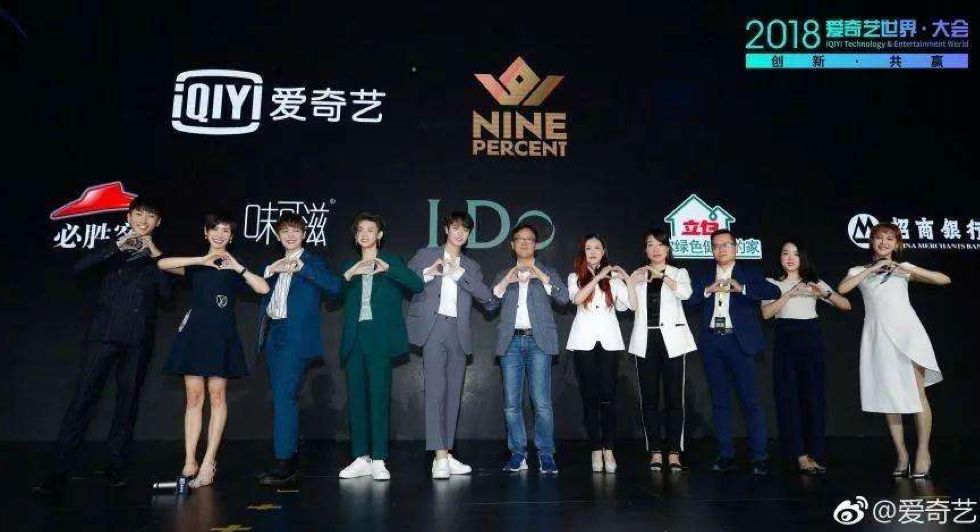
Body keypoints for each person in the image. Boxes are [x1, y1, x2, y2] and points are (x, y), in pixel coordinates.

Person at [33, 198, 170, 494]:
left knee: (127, 404)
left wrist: (155, 255)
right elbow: (80, 267)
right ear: (129, 216)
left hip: (137, 338)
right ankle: (60, 469)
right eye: (138, 214)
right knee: (83, 399)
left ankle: (115, 467)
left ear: (158, 223)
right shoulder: (110, 246)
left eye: (150, 216)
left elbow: (167, 293)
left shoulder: (160, 257)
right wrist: (117, 246)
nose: (143, 220)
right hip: (104, 334)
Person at [158, 213, 270, 488]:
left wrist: (238, 267)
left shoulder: (233, 269)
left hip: (221, 337)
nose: (220, 235)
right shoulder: (196, 266)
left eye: (225, 231)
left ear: (231, 237)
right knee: (194, 397)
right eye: (215, 230)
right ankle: (189, 460)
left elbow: (263, 287)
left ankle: (209, 462)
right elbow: (162, 263)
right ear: (206, 233)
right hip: (195, 335)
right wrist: (201, 260)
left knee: (217, 396)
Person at [837, 223, 949, 478]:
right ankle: (902, 454)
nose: (884, 243)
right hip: (879, 337)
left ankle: (923, 452)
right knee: (889, 397)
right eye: (879, 238)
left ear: (897, 245)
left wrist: (906, 269)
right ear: (872, 242)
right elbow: (843, 289)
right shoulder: (859, 270)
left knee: (918, 394)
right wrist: (873, 269)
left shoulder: (903, 269)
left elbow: (944, 279)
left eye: (890, 239)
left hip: (909, 334)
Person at [407, 211, 498, 479]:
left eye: (465, 230)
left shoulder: (471, 266)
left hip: (459, 330)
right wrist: (429, 272)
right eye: (456, 227)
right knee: (435, 391)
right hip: (434, 327)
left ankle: (446, 453)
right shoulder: (426, 254)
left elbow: (489, 300)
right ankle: (439, 457)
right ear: (446, 229)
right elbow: (407, 280)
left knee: (453, 394)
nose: (460, 233)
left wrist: (460, 276)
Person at [256, 213, 341, 486]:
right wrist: (270, 272)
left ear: (304, 234)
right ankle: (286, 458)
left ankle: (285, 461)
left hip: (295, 336)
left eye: (295, 231)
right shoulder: (273, 265)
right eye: (285, 231)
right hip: (274, 334)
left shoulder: (313, 262)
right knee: (283, 396)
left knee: (284, 396)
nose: (290, 236)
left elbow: (335, 287)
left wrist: (302, 267)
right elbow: (262, 294)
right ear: (278, 236)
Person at [337, 213, 424, 481]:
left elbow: (417, 284)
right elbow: (333, 295)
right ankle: (360, 457)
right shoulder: (349, 265)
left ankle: (378, 458)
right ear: (355, 236)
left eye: (370, 229)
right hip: (355, 338)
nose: (364, 234)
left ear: (379, 235)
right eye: (360, 230)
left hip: (380, 339)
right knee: (357, 401)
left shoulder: (392, 261)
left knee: (379, 399)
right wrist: (349, 274)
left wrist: (388, 268)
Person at [689, 229, 781, 475]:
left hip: (740, 343)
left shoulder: (749, 273)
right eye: (716, 246)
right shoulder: (704, 275)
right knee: (719, 401)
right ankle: (725, 454)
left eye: (726, 245)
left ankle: (759, 456)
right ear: (711, 250)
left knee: (750, 401)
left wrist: (743, 289)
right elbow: (688, 300)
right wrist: (707, 290)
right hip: (712, 342)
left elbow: (774, 292)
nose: (721, 250)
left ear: (735, 248)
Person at [761, 240, 850, 474]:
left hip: (811, 338)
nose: (790, 258)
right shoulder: (771, 283)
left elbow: (846, 305)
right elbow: (767, 313)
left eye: (795, 254)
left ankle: (815, 453)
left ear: (803, 258)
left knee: (813, 396)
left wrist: (823, 292)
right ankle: (799, 455)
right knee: (789, 397)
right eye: (785, 253)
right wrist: (789, 294)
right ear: (780, 258)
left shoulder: (814, 281)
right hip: (786, 338)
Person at [491, 223, 570, 474]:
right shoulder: (503, 274)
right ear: (512, 244)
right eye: (520, 239)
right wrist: (507, 280)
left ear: (536, 244)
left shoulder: (548, 272)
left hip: (539, 342)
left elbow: (564, 298)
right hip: (511, 343)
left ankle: (546, 453)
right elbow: (490, 303)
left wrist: (541, 275)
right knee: (511, 404)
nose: (525, 242)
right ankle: (518, 453)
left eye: (529, 239)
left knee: (542, 402)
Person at [625, 228, 696, 473]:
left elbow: (686, 293)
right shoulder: (638, 273)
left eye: (660, 244)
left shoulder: (679, 272)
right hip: (646, 339)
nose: (655, 249)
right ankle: (655, 450)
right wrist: (631, 283)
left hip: (673, 341)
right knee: (649, 399)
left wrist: (662, 276)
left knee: (675, 398)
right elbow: (629, 306)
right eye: (650, 244)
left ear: (667, 248)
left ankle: (674, 451)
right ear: (645, 250)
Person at [565, 234, 630, 473]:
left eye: (597, 248)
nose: (592, 252)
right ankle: (595, 449)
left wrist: (627, 280)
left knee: (609, 397)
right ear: (583, 252)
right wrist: (598, 277)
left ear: (604, 251)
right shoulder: (574, 276)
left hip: (609, 342)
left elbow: (629, 305)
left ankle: (609, 449)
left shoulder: (614, 279)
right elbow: (577, 299)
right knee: (590, 397)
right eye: (588, 248)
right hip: (584, 342)